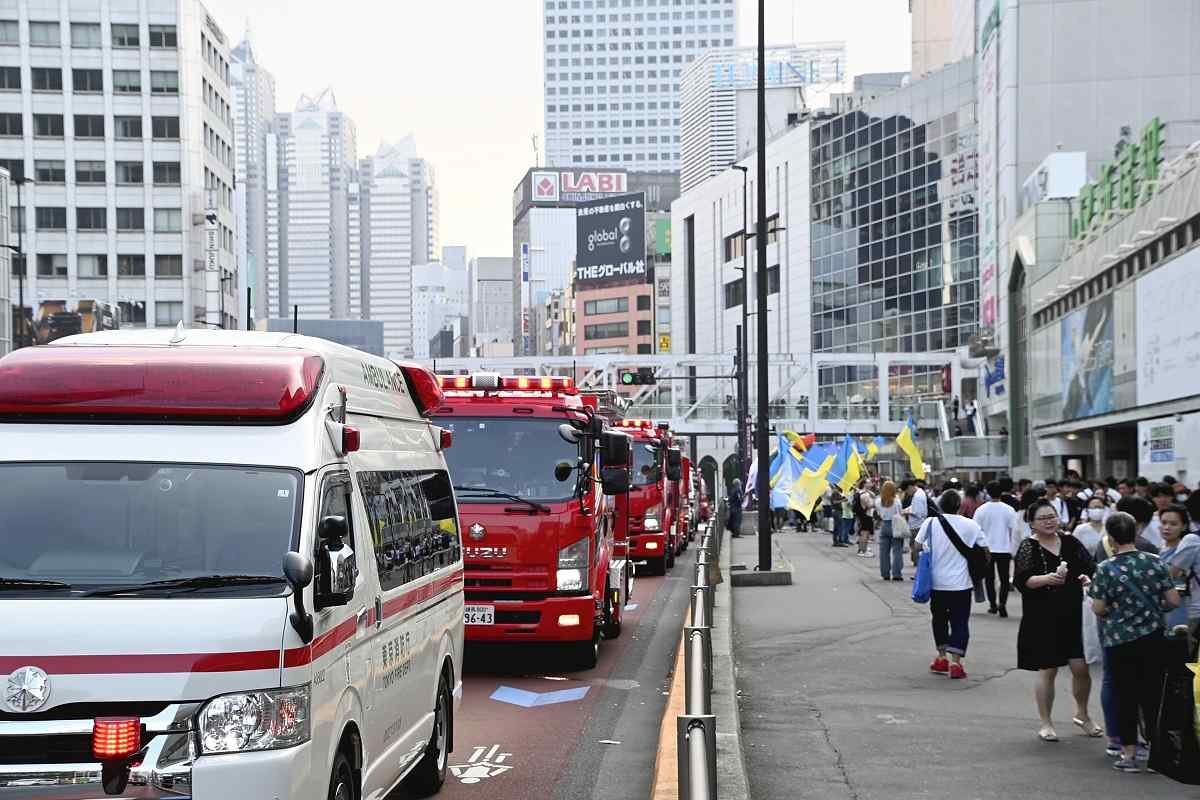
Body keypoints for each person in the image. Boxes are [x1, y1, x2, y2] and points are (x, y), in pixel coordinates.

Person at [1090, 512, 1181, 772]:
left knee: (1124, 696)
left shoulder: (1105, 568)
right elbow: (1173, 600)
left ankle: (1128, 755)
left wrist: (1116, 614)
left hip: (1120, 640)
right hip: (1153, 637)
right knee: (1153, 695)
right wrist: (1154, 609)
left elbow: (1098, 607)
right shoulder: (1155, 562)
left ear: (1110, 537)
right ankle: (1156, 753)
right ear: (1135, 533)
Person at [1014, 498, 1098, 743]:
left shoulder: (1071, 542)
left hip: (1074, 613)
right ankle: (1046, 722)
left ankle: (1082, 714)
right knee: (1047, 669)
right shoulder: (1029, 546)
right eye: (1043, 518)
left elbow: (1089, 567)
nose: (1049, 521)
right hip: (1042, 615)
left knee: (1081, 667)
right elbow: (1022, 580)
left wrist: (1085, 577)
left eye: (1052, 516)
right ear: (1032, 523)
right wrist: (1046, 579)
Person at [914, 490, 986, 679]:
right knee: (960, 622)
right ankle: (956, 663)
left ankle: (941, 658)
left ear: (940, 504)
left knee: (939, 620)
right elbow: (985, 551)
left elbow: (916, 546)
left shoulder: (930, 523)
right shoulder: (971, 525)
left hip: (936, 584)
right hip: (962, 585)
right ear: (959, 506)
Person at [975, 480, 1019, 617]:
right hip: (1004, 548)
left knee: (989, 578)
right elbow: (1013, 531)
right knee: (1004, 578)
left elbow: (976, 530)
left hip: (986, 549)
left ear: (987, 493)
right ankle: (1003, 604)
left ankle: (992, 604)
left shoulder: (981, 510)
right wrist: (1012, 548)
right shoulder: (1009, 509)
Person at [1159, 503, 1200, 633]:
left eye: (1173, 524)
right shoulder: (1156, 551)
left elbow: (1171, 574)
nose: (1167, 527)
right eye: (1164, 523)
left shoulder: (1189, 548)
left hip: (1185, 607)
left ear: (1184, 526)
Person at [875, 480, 905, 581]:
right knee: (897, 550)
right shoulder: (896, 501)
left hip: (884, 525)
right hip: (895, 524)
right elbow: (899, 513)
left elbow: (878, 513)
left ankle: (885, 573)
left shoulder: (878, 501)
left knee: (884, 551)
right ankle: (897, 574)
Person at [901, 480, 929, 570]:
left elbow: (918, 512)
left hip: (917, 525)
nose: (908, 493)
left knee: (916, 546)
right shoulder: (918, 493)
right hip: (916, 524)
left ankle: (918, 567)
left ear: (910, 487)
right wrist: (907, 510)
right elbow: (914, 507)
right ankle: (916, 565)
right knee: (914, 546)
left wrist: (906, 512)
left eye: (907, 491)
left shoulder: (918, 496)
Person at [854, 479, 875, 558]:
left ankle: (862, 549)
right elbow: (870, 505)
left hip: (863, 515)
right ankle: (863, 550)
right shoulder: (865, 494)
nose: (871, 484)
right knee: (865, 534)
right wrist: (875, 503)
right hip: (867, 515)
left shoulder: (861, 492)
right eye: (869, 482)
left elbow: (873, 495)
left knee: (864, 533)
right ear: (864, 484)